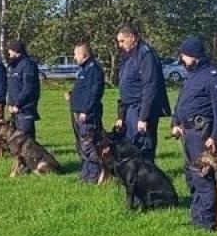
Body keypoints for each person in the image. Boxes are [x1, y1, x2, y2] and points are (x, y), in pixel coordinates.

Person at [169, 37, 217, 230]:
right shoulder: (192, 76)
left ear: (194, 56)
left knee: (202, 178)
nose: (182, 61)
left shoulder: (212, 76)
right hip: (187, 133)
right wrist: (175, 122)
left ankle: (206, 222)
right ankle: (197, 217)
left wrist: (216, 136)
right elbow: (181, 103)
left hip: (202, 134)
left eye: (184, 56)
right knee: (191, 177)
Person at [114, 24, 170, 163]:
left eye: (122, 41)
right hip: (130, 108)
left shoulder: (146, 55)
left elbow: (150, 87)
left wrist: (143, 117)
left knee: (143, 147)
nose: (120, 45)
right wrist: (121, 114)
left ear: (132, 38)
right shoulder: (129, 56)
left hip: (140, 108)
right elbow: (125, 87)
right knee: (131, 146)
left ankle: (147, 181)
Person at [67, 41, 106, 183]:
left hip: (88, 115)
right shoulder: (84, 70)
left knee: (89, 145)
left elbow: (94, 93)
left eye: (76, 54)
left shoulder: (94, 70)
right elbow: (83, 91)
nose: (74, 57)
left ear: (84, 54)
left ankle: (96, 173)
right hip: (79, 114)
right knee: (83, 145)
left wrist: (85, 110)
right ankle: (86, 172)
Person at [5, 40, 41, 141]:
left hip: (24, 109)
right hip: (14, 111)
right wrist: (10, 104)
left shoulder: (28, 65)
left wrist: (17, 104)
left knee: (26, 141)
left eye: (10, 50)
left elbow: (28, 88)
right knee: (17, 142)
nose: (9, 53)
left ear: (16, 50)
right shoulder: (14, 66)